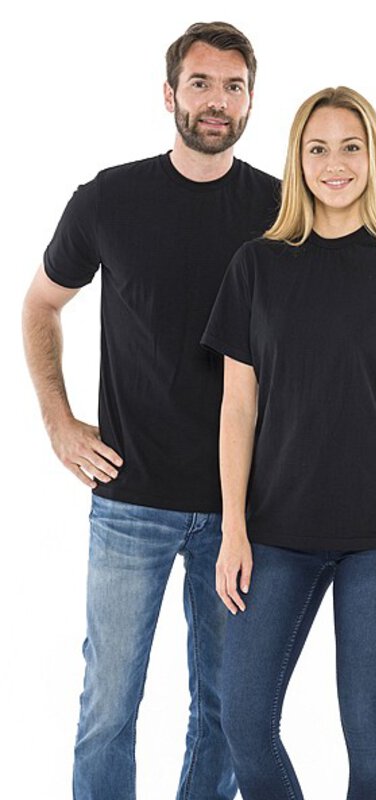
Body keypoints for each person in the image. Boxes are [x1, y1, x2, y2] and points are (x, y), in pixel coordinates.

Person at [22, 21, 280, 800]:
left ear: (250, 101)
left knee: (227, 715)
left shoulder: (279, 211)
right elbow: (40, 304)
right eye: (200, 83)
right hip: (130, 499)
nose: (216, 100)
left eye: (233, 86)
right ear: (169, 95)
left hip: (242, 509)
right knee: (108, 709)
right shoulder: (110, 198)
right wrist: (59, 422)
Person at [199, 85, 376, 799]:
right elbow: (237, 407)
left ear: (373, 157)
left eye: (350, 147)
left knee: (368, 735)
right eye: (317, 149)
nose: (334, 164)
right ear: (298, 159)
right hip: (274, 531)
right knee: (244, 725)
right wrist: (232, 529)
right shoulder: (255, 264)